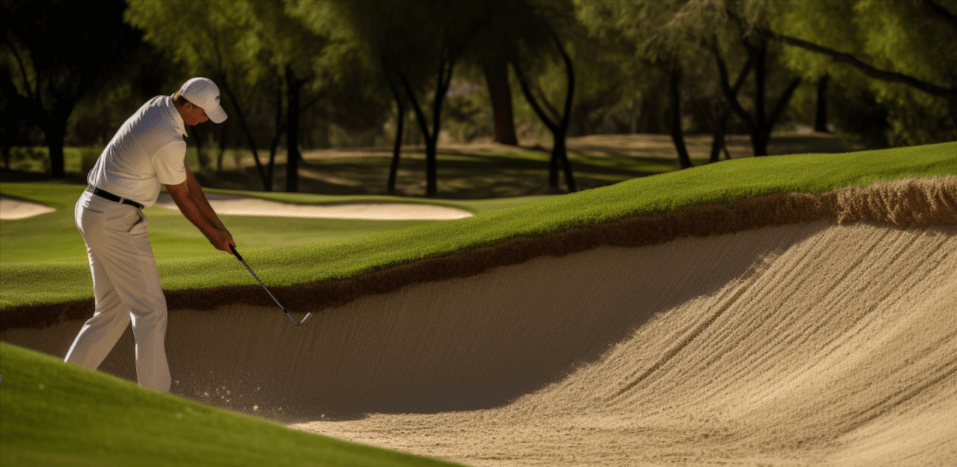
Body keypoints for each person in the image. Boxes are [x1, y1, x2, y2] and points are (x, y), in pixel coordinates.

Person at [65, 77, 235, 392]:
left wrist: (219, 226)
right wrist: (212, 236)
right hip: (116, 220)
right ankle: (155, 401)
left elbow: (188, 179)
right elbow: (182, 196)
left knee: (112, 311)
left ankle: (59, 384)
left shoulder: (159, 105)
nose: (205, 119)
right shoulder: (167, 137)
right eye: (202, 113)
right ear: (187, 105)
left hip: (93, 209)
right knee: (150, 311)